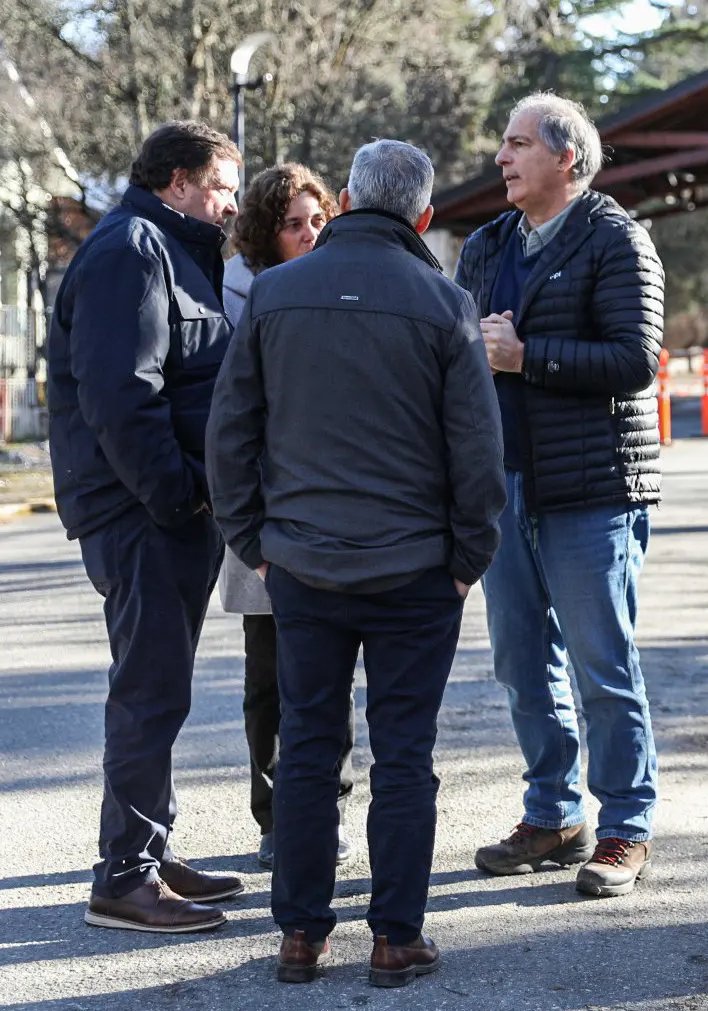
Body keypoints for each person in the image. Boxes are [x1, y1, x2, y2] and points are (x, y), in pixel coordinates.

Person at [206, 140, 506, 988]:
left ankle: (300, 934)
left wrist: (254, 541)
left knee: (306, 744)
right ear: (423, 216)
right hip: (416, 571)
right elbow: (478, 453)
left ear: (342, 200)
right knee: (403, 754)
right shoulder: (445, 303)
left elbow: (229, 435)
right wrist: (466, 559)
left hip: (302, 564)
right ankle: (393, 936)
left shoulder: (272, 293)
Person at [457, 93, 666, 898]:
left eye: (516, 144)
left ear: (565, 158)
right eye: (502, 144)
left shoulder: (617, 240)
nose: (502, 158)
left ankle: (624, 828)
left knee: (601, 666)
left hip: (593, 491)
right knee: (519, 663)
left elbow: (634, 359)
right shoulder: (484, 245)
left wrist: (526, 357)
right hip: (504, 486)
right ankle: (553, 814)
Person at [46, 120, 245, 934]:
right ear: (176, 180)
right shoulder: (132, 249)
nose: (232, 203)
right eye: (223, 185)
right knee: (149, 691)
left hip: (170, 512)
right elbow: (121, 394)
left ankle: (150, 853)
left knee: (161, 688)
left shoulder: (173, 249)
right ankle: (124, 878)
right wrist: (178, 497)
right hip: (143, 514)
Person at [218, 163, 355, 871]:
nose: (309, 235)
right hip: (264, 515)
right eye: (293, 224)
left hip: (331, 511)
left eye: (317, 220)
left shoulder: (345, 283)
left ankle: (327, 804)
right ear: (264, 235)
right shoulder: (235, 295)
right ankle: (274, 815)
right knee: (269, 677)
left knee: (331, 671)